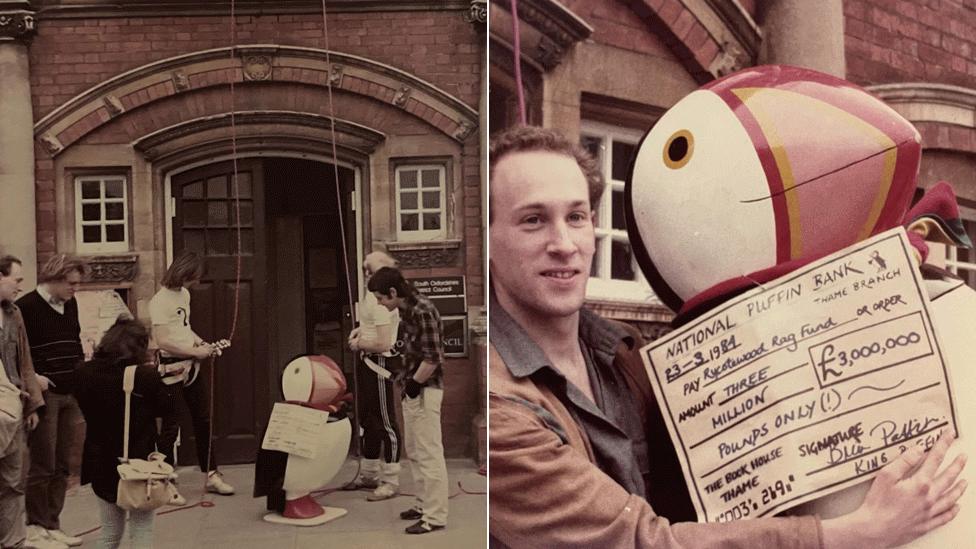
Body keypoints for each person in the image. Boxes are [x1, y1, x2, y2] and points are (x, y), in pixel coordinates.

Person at [487, 126, 968, 548]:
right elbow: (639, 541)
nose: (564, 245)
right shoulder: (499, 414)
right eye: (533, 220)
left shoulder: (626, 354)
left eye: (576, 217)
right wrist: (853, 533)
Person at [73, 318, 173, 548]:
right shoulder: (146, 377)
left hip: (99, 461)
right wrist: (165, 456)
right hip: (138, 462)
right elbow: (169, 413)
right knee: (141, 529)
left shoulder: (83, 373)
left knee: (109, 531)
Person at [367, 267, 448, 535]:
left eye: (380, 298)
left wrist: (415, 384)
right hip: (411, 387)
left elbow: (433, 356)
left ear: (393, 293)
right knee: (414, 451)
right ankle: (423, 504)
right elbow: (407, 348)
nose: (379, 303)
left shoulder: (423, 310)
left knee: (429, 453)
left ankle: (434, 516)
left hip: (425, 389)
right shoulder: (405, 311)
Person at [149, 252, 233, 504]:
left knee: (203, 420)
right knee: (171, 425)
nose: (195, 283)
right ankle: (163, 481)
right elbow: (162, 340)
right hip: (172, 370)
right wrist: (196, 351)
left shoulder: (184, 295)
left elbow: (183, 328)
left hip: (191, 366)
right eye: (193, 278)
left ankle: (211, 474)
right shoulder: (159, 301)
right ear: (183, 273)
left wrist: (201, 343)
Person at [16, 255, 88, 548]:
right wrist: (34, 379)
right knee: (42, 463)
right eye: (71, 283)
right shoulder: (26, 307)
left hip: (72, 392)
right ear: (55, 279)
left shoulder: (70, 304)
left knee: (63, 464)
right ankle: (35, 527)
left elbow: (75, 340)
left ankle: (53, 524)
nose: (76, 289)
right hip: (45, 394)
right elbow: (18, 353)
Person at [0, 255, 55, 549]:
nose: (21, 286)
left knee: (13, 482)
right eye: (16, 280)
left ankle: (14, 542)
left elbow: (24, 359)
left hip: (13, 409)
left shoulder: (14, 313)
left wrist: (33, 404)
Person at [345, 251, 402, 501]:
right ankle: (370, 473)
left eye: (371, 270)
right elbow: (371, 325)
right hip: (366, 363)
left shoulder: (382, 300)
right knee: (368, 418)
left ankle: (391, 479)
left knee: (386, 421)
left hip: (378, 363)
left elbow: (383, 342)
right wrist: (360, 331)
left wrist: (360, 344)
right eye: (365, 269)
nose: (367, 274)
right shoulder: (372, 295)